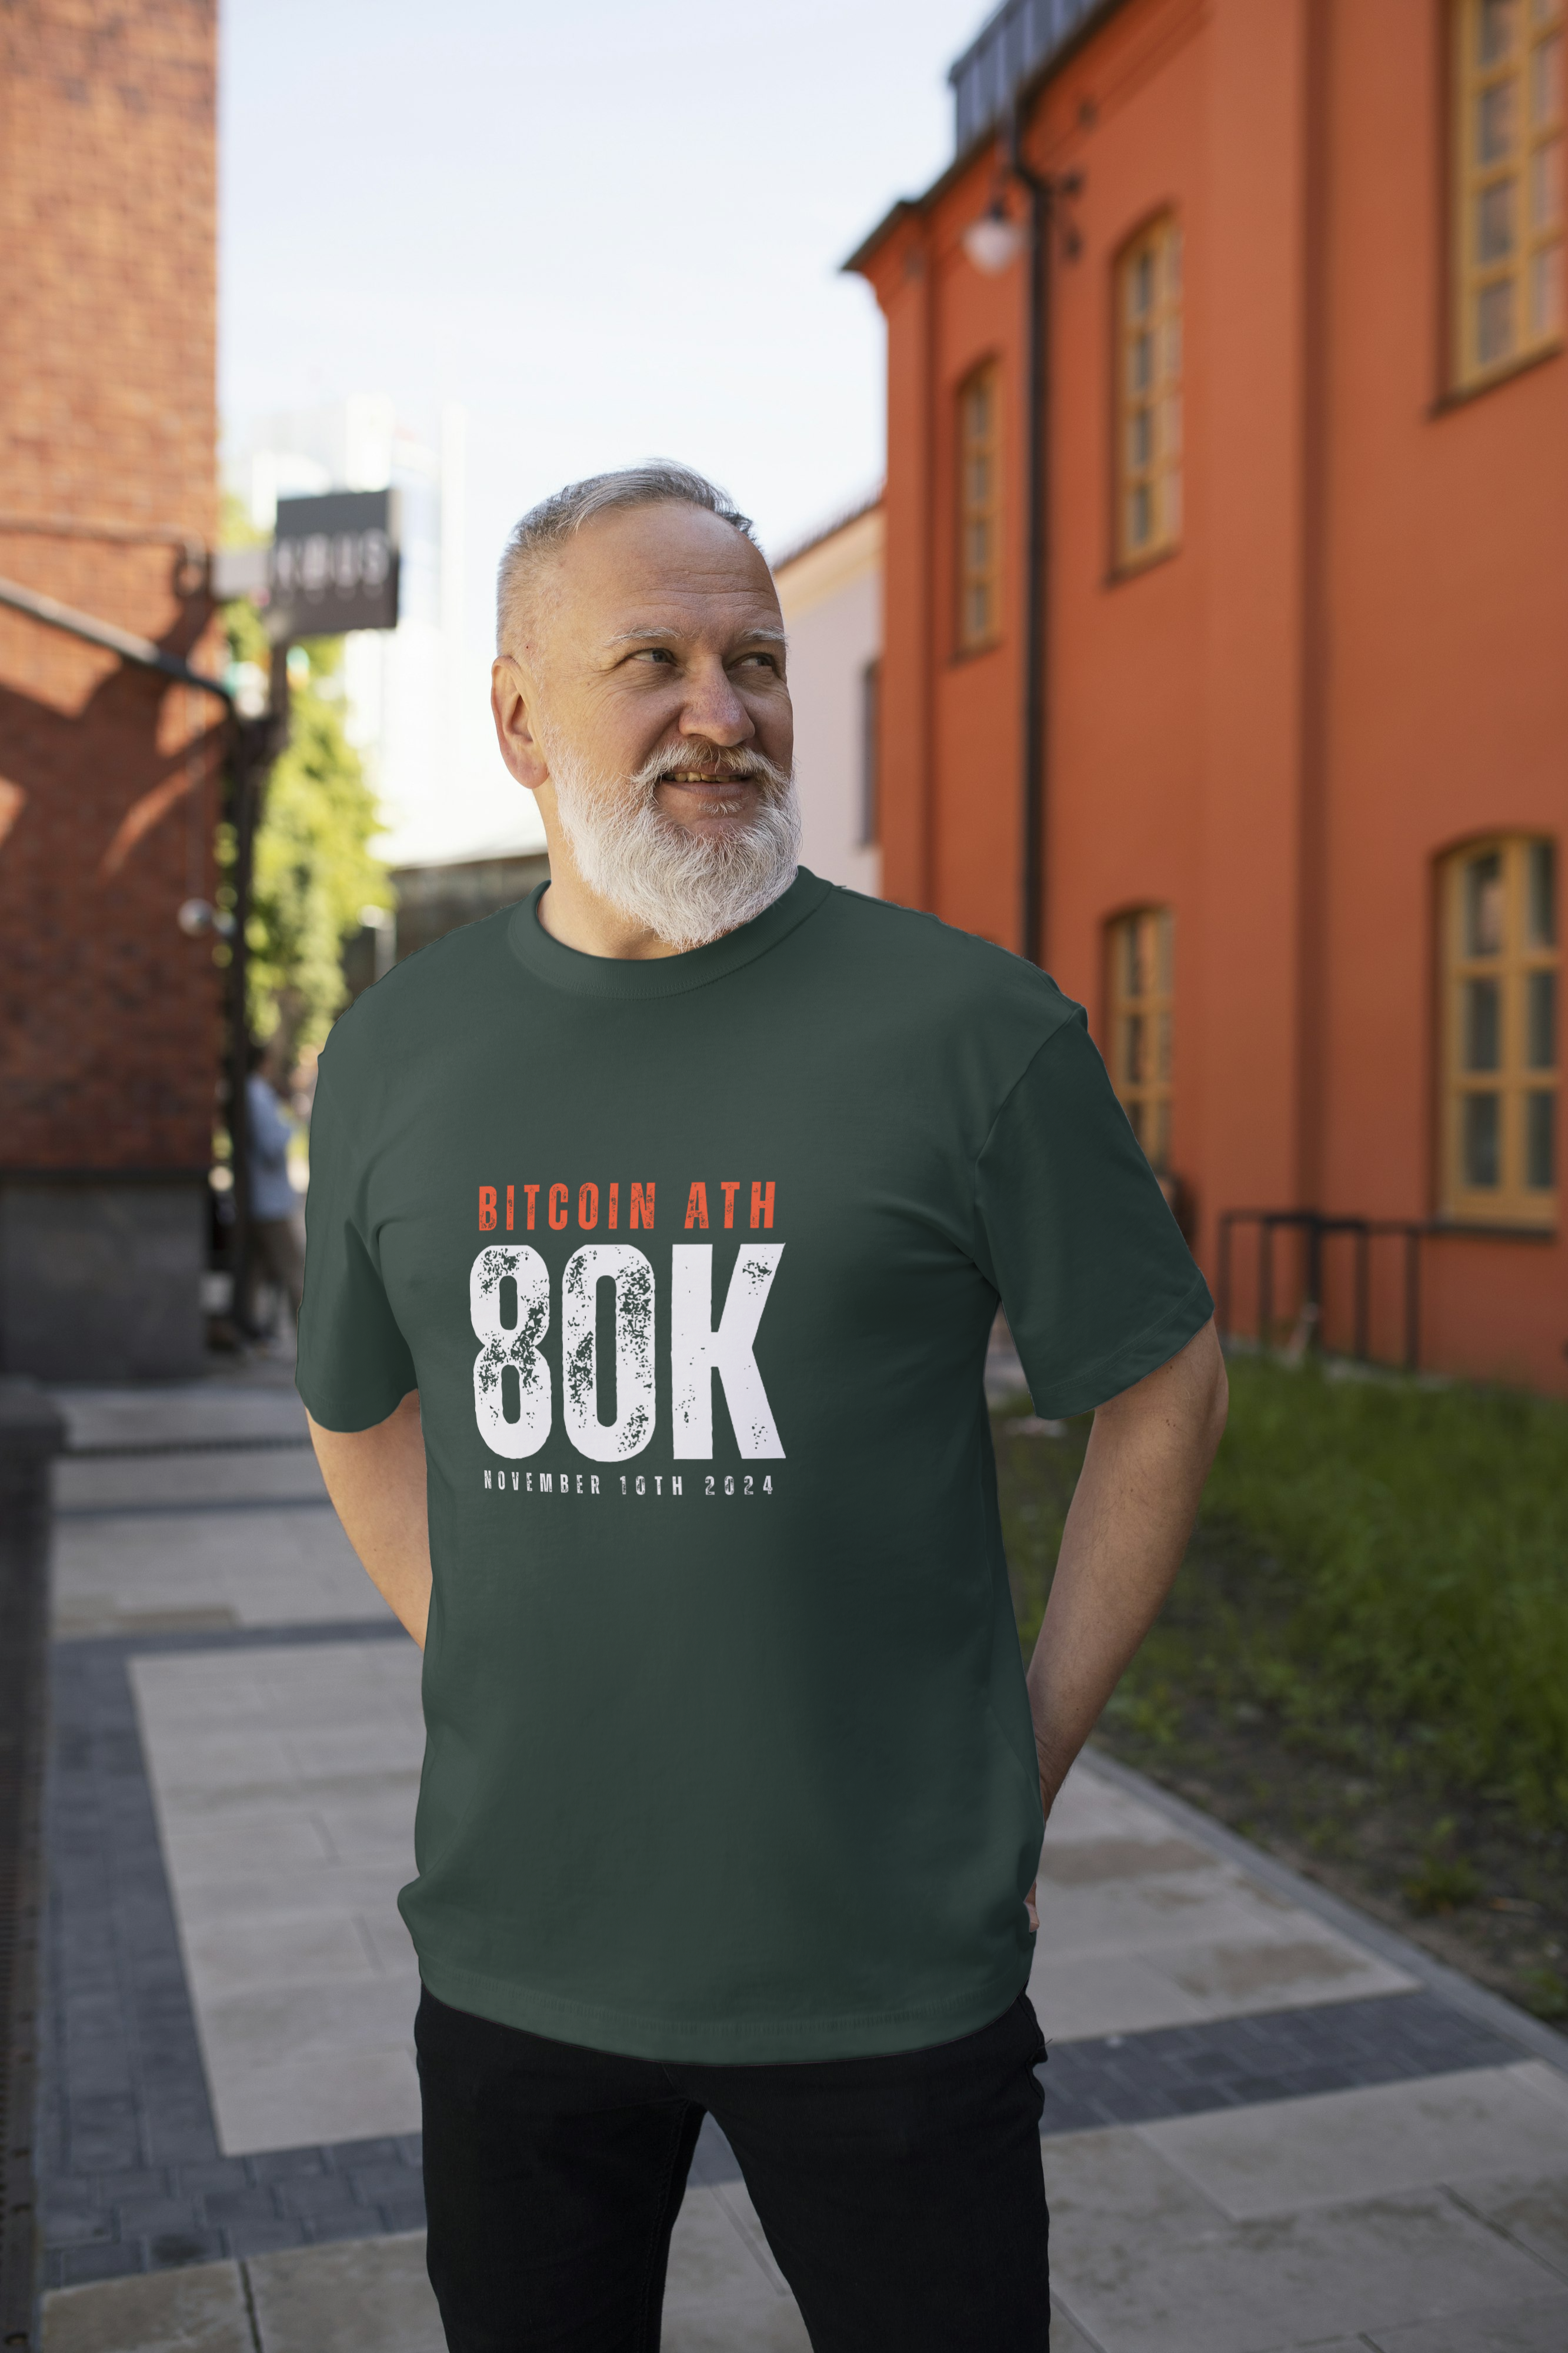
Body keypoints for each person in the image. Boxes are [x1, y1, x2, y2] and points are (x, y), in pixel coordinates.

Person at [299, 464, 1227, 2353]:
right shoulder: (399, 1051)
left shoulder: (972, 1028)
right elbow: (354, 1405)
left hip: (884, 1971)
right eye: (652, 659)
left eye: (755, 661)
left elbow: (1161, 1381)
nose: (721, 713)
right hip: (515, 1956)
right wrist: (480, 1649)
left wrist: (1017, 1757)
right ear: (515, 716)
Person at [245, 1034, 303, 1333]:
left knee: (255, 1273)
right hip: (270, 1203)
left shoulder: (253, 1093)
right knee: (295, 1273)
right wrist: (290, 1124)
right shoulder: (256, 1094)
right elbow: (272, 1145)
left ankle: (252, 1332)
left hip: (259, 1199)